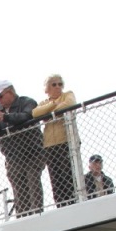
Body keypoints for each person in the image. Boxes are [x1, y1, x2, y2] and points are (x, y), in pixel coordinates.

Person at [0, 80, 44, 217]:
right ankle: (23, 217)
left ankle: (37, 215)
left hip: (32, 152)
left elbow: (26, 116)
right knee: (18, 188)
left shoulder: (27, 102)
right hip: (12, 156)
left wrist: (6, 117)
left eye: (1, 96)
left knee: (33, 183)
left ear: (10, 92)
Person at [32, 75, 78, 207]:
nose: (58, 87)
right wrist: (53, 105)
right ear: (47, 88)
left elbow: (69, 104)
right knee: (56, 178)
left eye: (60, 84)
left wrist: (49, 113)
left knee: (68, 175)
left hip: (66, 141)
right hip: (50, 145)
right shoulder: (45, 102)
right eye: (54, 84)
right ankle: (61, 205)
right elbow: (35, 113)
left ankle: (73, 203)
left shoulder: (68, 94)